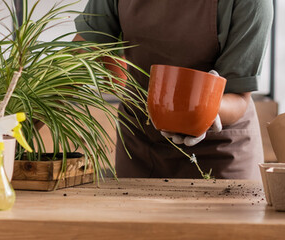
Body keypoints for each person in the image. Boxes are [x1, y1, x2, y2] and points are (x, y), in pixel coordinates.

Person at [74, 0, 273, 179]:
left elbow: (238, 96)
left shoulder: (252, 4)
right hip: (139, 147)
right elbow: (73, 64)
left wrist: (205, 110)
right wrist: (42, 110)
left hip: (219, 154)